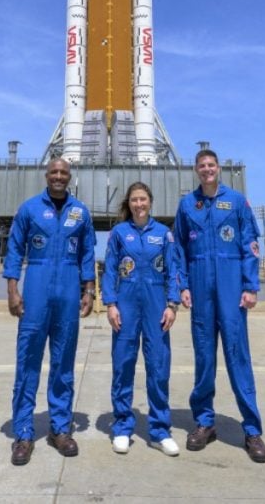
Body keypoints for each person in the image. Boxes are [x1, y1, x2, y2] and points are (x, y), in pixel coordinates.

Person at [173, 149, 265, 463]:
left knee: (238, 356)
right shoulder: (187, 205)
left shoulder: (237, 202)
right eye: (201, 166)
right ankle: (204, 422)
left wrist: (250, 286)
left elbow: (250, 245)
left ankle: (252, 430)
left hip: (231, 287)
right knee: (203, 357)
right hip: (200, 288)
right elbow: (180, 251)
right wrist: (183, 286)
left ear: (218, 168)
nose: (207, 169)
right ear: (196, 170)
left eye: (211, 165)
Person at [4, 157, 96, 465]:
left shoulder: (80, 212)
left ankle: (59, 429)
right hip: (37, 288)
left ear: (70, 177)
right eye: (54, 172)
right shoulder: (29, 209)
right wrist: (12, 289)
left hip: (68, 291)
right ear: (47, 175)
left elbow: (86, 254)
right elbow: (15, 250)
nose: (58, 176)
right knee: (28, 361)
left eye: (63, 173)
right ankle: (24, 433)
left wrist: (89, 290)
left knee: (63, 364)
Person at [101, 182, 182, 456]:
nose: (139, 204)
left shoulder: (164, 234)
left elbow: (173, 271)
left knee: (158, 366)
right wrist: (110, 304)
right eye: (134, 200)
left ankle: (160, 430)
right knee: (123, 364)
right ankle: (122, 426)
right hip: (125, 303)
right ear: (129, 203)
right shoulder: (119, 233)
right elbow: (110, 269)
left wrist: (172, 305)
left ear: (150, 202)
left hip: (156, 304)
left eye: (143, 199)